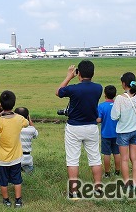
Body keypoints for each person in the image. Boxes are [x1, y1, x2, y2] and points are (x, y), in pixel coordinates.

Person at [55, 60, 103, 199]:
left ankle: (74, 191)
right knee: (95, 158)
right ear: (93, 73)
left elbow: (58, 92)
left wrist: (69, 76)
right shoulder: (98, 88)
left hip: (74, 127)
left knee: (72, 159)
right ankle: (98, 188)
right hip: (91, 127)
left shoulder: (74, 89)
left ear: (79, 73)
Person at [111, 72, 136, 189]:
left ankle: (127, 183)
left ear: (123, 84)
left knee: (124, 159)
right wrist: (135, 120)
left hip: (123, 132)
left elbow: (114, 116)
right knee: (135, 158)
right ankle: (135, 183)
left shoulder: (119, 99)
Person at [0, 90, 29, 208]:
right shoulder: (19, 119)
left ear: (1, 105)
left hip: (2, 158)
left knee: (3, 181)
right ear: (14, 103)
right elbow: (26, 123)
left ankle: (6, 200)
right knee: (17, 179)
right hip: (16, 157)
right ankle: (18, 200)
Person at [97, 85, 120, 178]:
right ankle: (117, 171)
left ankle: (107, 173)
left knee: (106, 154)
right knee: (117, 152)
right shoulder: (117, 105)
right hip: (117, 133)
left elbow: (99, 119)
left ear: (104, 94)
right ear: (115, 95)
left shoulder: (101, 106)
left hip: (105, 134)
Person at [14, 107, 38, 174]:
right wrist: (30, 121)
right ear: (27, 117)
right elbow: (36, 134)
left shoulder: (14, 129)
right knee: (29, 171)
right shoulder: (31, 129)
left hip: (16, 158)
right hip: (28, 159)